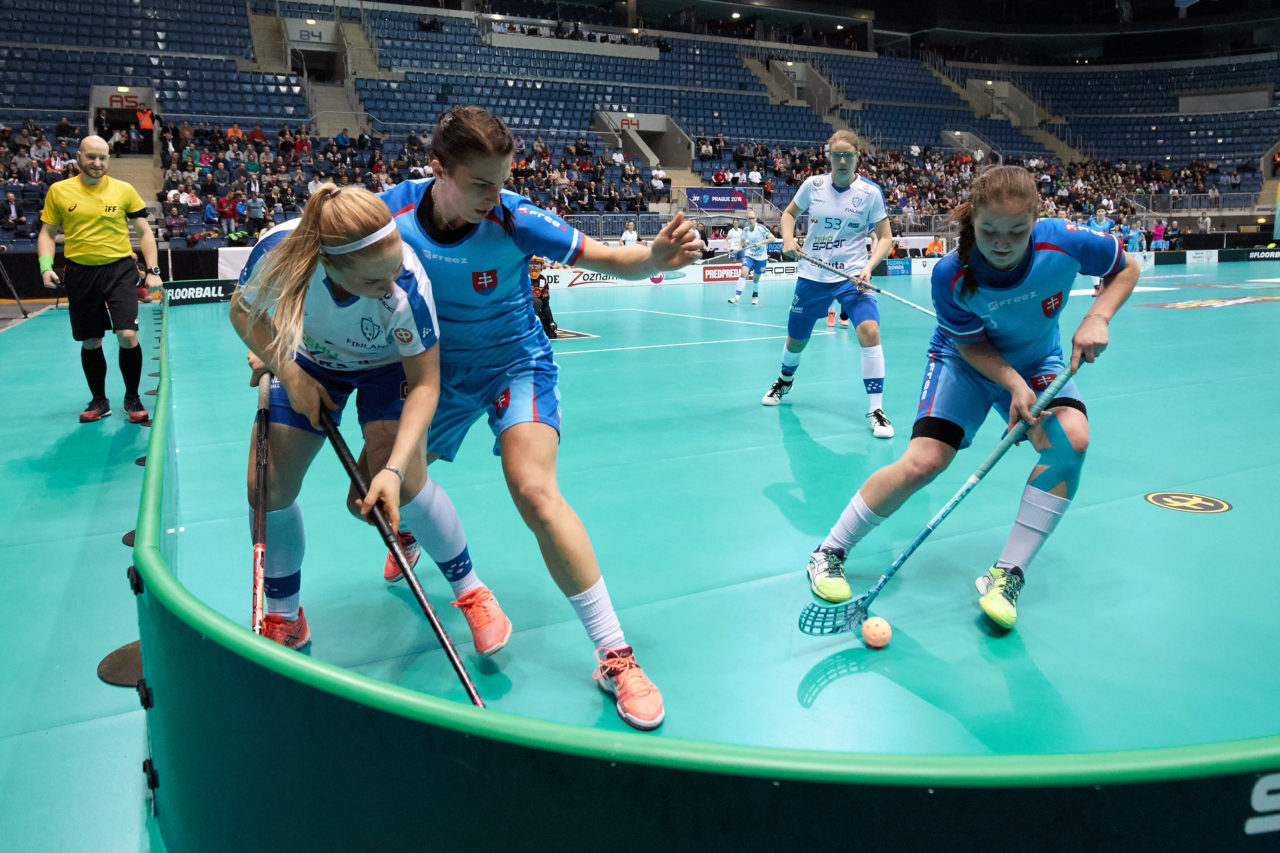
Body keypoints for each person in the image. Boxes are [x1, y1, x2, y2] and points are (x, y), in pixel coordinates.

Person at [377, 106, 701, 731]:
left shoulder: (514, 217)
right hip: (430, 373)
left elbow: (608, 257)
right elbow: (310, 249)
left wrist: (656, 258)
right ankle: (417, 532)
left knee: (535, 491)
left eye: (502, 181)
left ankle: (614, 653)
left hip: (512, 363)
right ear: (437, 169)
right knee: (394, 479)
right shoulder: (387, 212)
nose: (493, 197)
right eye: (480, 184)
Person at [804, 165, 1138, 631]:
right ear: (972, 222)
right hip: (963, 362)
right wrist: (1013, 386)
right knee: (925, 461)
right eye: (989, 231)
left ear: (1036, 222)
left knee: (1072, 441)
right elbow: (971, 345)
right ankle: (829, 551)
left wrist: (1098, 315)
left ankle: (1007, 574)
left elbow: (1125, 268)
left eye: (1016, 232)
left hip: (1038, 362)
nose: (1002, 243)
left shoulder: (1066, 241)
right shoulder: (952, 273)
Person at [230, 184, 450, 652]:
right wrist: (287, 370)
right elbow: (243, 311)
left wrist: (391, 470)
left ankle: (455, 576)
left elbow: (427, 383)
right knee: (264, 488)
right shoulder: (280, 251)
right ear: (328, 265)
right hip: (312, 363)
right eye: (373, 282)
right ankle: (283, 614)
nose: (390, 285)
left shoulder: (407, 282)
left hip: (389, 369)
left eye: (394, 270)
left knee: (389, 493)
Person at [764, 130, 896, 439]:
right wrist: (787, 238)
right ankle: (784, 380)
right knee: (796, 340)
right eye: (836, 155)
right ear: (829, 157)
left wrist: (868, 266)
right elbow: (788, 214)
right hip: (813, 274)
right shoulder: (814, 186)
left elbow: (886, 237)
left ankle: (876, 408)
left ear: (856, 157)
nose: (841, 160)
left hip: (852, 276)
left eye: (847, 155)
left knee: (870, 331)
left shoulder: (871, 193)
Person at [38, 135, 160, 424]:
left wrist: (153, 271)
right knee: (91, 341)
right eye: (91, 157)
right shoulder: (59, 191)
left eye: (102, 157)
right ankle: (99, 401)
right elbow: (46, 233)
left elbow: (145, 233)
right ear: (78, 157)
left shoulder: (124, 190)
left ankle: (132, 397)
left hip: (119, 270)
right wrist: (46, 266)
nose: (97, 163)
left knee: (128, 335)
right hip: (80, 273)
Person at [728, 210, 771, 305]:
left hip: (761, 258)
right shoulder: (746, 230)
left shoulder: (761, 228)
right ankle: (737, 297)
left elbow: (772, 238)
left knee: (756, 279)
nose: (751, 220)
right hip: (750, 255)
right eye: (749, 218)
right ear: (747, 219)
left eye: (753, 218)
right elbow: (742, 240)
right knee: (743, 273)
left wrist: (760, 242)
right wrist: (738, 248)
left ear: (756, 218)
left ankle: (755, 296)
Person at [528, 256, 557, 338]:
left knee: (551, 333)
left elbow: (545, 304)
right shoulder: (522, 278)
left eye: (537, 264)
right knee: (536, 302)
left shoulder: (543, 281)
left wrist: (551, 321)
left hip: (535, 309)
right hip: (520, 309)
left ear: (541, 266)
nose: (534, 266)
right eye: (532, 264)